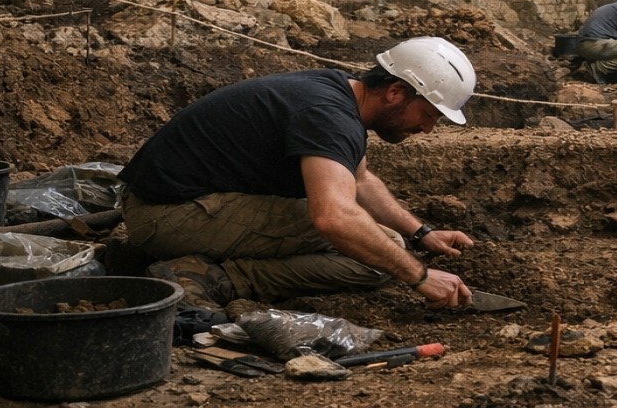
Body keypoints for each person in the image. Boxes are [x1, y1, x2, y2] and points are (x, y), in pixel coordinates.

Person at [119, 37, 477, 311]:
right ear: (396, 92)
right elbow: (333, 218)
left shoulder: (338, 93)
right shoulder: (329, 116)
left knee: (386, 244)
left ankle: (155, 256)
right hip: (169, 216)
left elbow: (361, 180)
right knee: (379, 260)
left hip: (174, 204)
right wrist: (419, 276)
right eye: (428, 115)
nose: (427, 129)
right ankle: (210, 276)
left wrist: (421, 233)